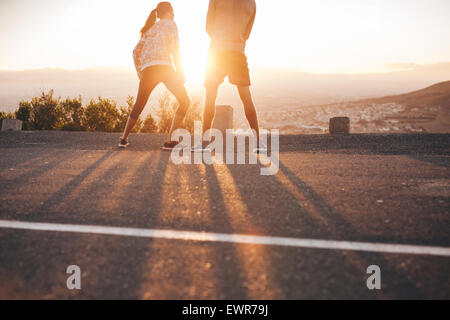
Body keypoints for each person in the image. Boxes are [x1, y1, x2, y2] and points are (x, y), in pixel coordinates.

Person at [195, 0, 265, 152]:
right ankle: (258, 142)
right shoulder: (251, 3)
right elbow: (247, 34)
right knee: (246, 98)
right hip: (237, 52)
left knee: (210, 97)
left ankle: (205, 142)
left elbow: (208, 28)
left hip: (217, 52)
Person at [119, 2, 190, 150]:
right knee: (185, 101)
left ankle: (124, 139)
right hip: (165, 67)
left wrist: (141, 72)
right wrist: (181, 71)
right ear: (170, 12)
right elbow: (175, 49)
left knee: (139, 103)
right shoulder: (171, 23)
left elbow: (135, 52)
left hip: (148, 70)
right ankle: (169, 141)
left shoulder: (149, 28)